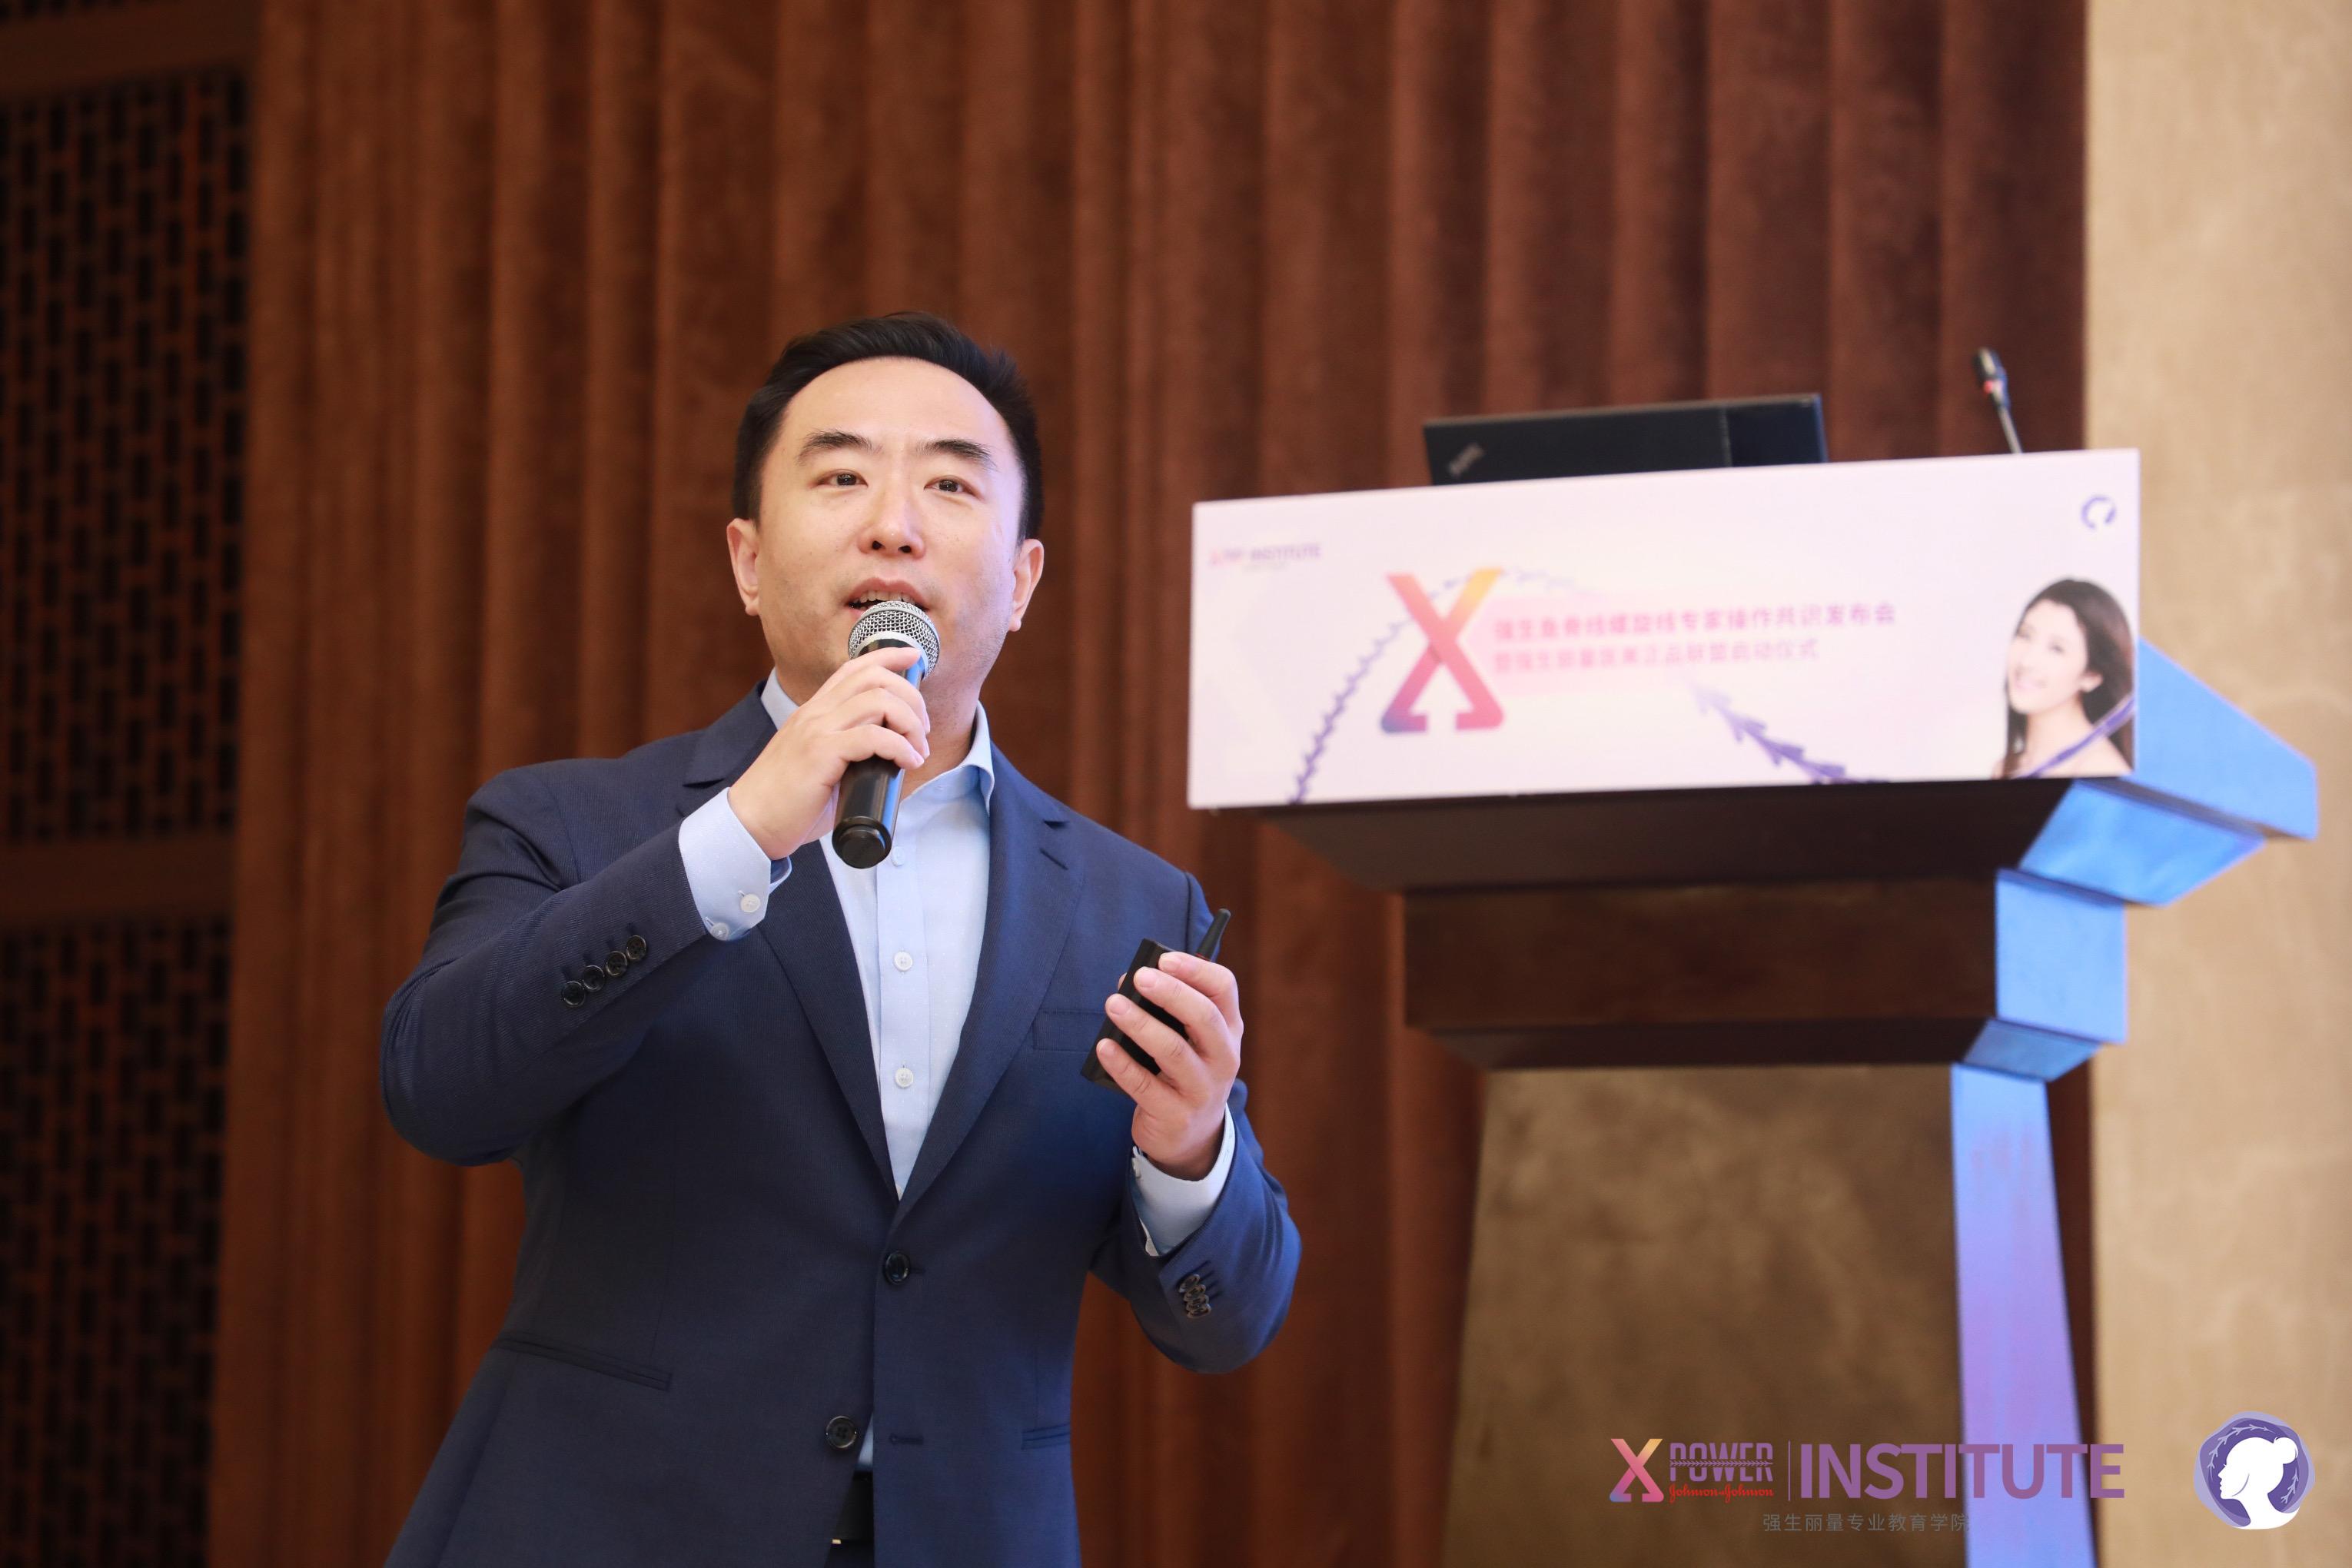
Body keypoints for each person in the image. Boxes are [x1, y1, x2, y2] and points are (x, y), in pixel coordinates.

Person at [378, 313, 1301, 1567]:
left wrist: (1189, 1155)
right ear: (749, 562)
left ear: (1024, 582)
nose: (894, 525)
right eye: (842, 476)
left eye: (951, 486)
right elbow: (438, 1090)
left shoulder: (1135, 906)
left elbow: (1226, 1322)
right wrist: (741, 833)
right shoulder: (570, 825)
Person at [1995, 579, 2134, 779]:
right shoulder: (2006, 768)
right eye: (2025, 635)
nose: (2027, 662)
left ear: (2091, 675)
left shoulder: (2100, 771)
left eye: (2056, 649)